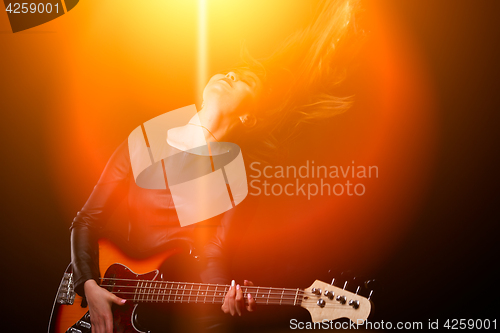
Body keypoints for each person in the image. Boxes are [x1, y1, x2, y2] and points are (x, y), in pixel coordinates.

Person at [70, 0, 363, 332]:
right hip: (103, 295)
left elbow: (213, 253)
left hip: (171, 316)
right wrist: (88, 286)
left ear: (248, 116)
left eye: (243, 82)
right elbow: (86, 220)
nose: (230, 74)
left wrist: (229, 294)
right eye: (231, 71)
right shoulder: (143, 142)